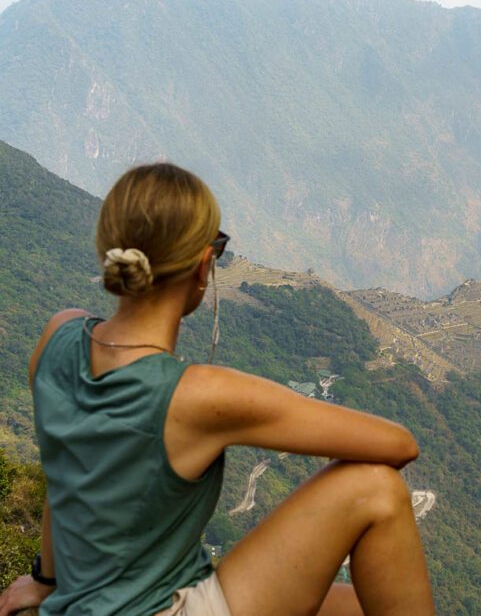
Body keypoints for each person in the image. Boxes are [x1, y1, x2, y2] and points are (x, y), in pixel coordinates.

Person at [0, 163, 434, 616]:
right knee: (376, 489)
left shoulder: (59, 335)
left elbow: (63, 471)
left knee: (353, 607)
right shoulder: (197, 395)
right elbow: (399, 444)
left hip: (84, 602)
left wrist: (45, 581)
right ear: (204, 264)